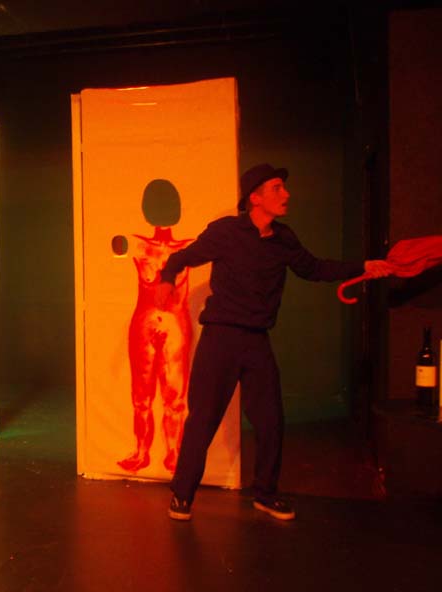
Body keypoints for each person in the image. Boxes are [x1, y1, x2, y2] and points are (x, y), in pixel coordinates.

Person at [154, 164, 393, 521]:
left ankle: (265, 494)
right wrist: (167, 278)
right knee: (203, 418)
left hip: (256, 340)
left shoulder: (284, 239)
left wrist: (364, 267)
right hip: (220, 337)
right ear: (255, 197)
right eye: (277, 188)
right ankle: (182, 494)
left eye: (284, 188)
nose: (286, 195)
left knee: (270, 421)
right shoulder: (226, 232)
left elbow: (314, 269)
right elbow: (181, 258)